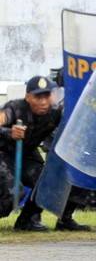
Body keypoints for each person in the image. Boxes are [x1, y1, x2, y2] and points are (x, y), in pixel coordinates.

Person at [0, 76, 61, 231]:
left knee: (46, 182)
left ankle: (27, 221)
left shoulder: (55, 113)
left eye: (46, 96)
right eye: (37, 97)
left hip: (26, 154)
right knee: (14, 192)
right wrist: (9, 132)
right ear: (28, 97)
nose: (43, 102)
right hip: (3, 152)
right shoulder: (14, 108)